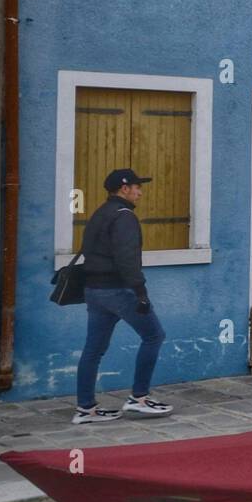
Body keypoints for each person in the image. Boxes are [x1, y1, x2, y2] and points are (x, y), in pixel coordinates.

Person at [72, 168, 174, 425]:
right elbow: (127, 260)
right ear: (124, 188)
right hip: (118, 290)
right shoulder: (124, 217)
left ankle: (86, 409)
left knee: (93, 349)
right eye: (137, 187)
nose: (140, 192)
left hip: (94, 292)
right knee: (154, 335)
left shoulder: (100, 213)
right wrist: (140, 293)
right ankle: (139, 398)